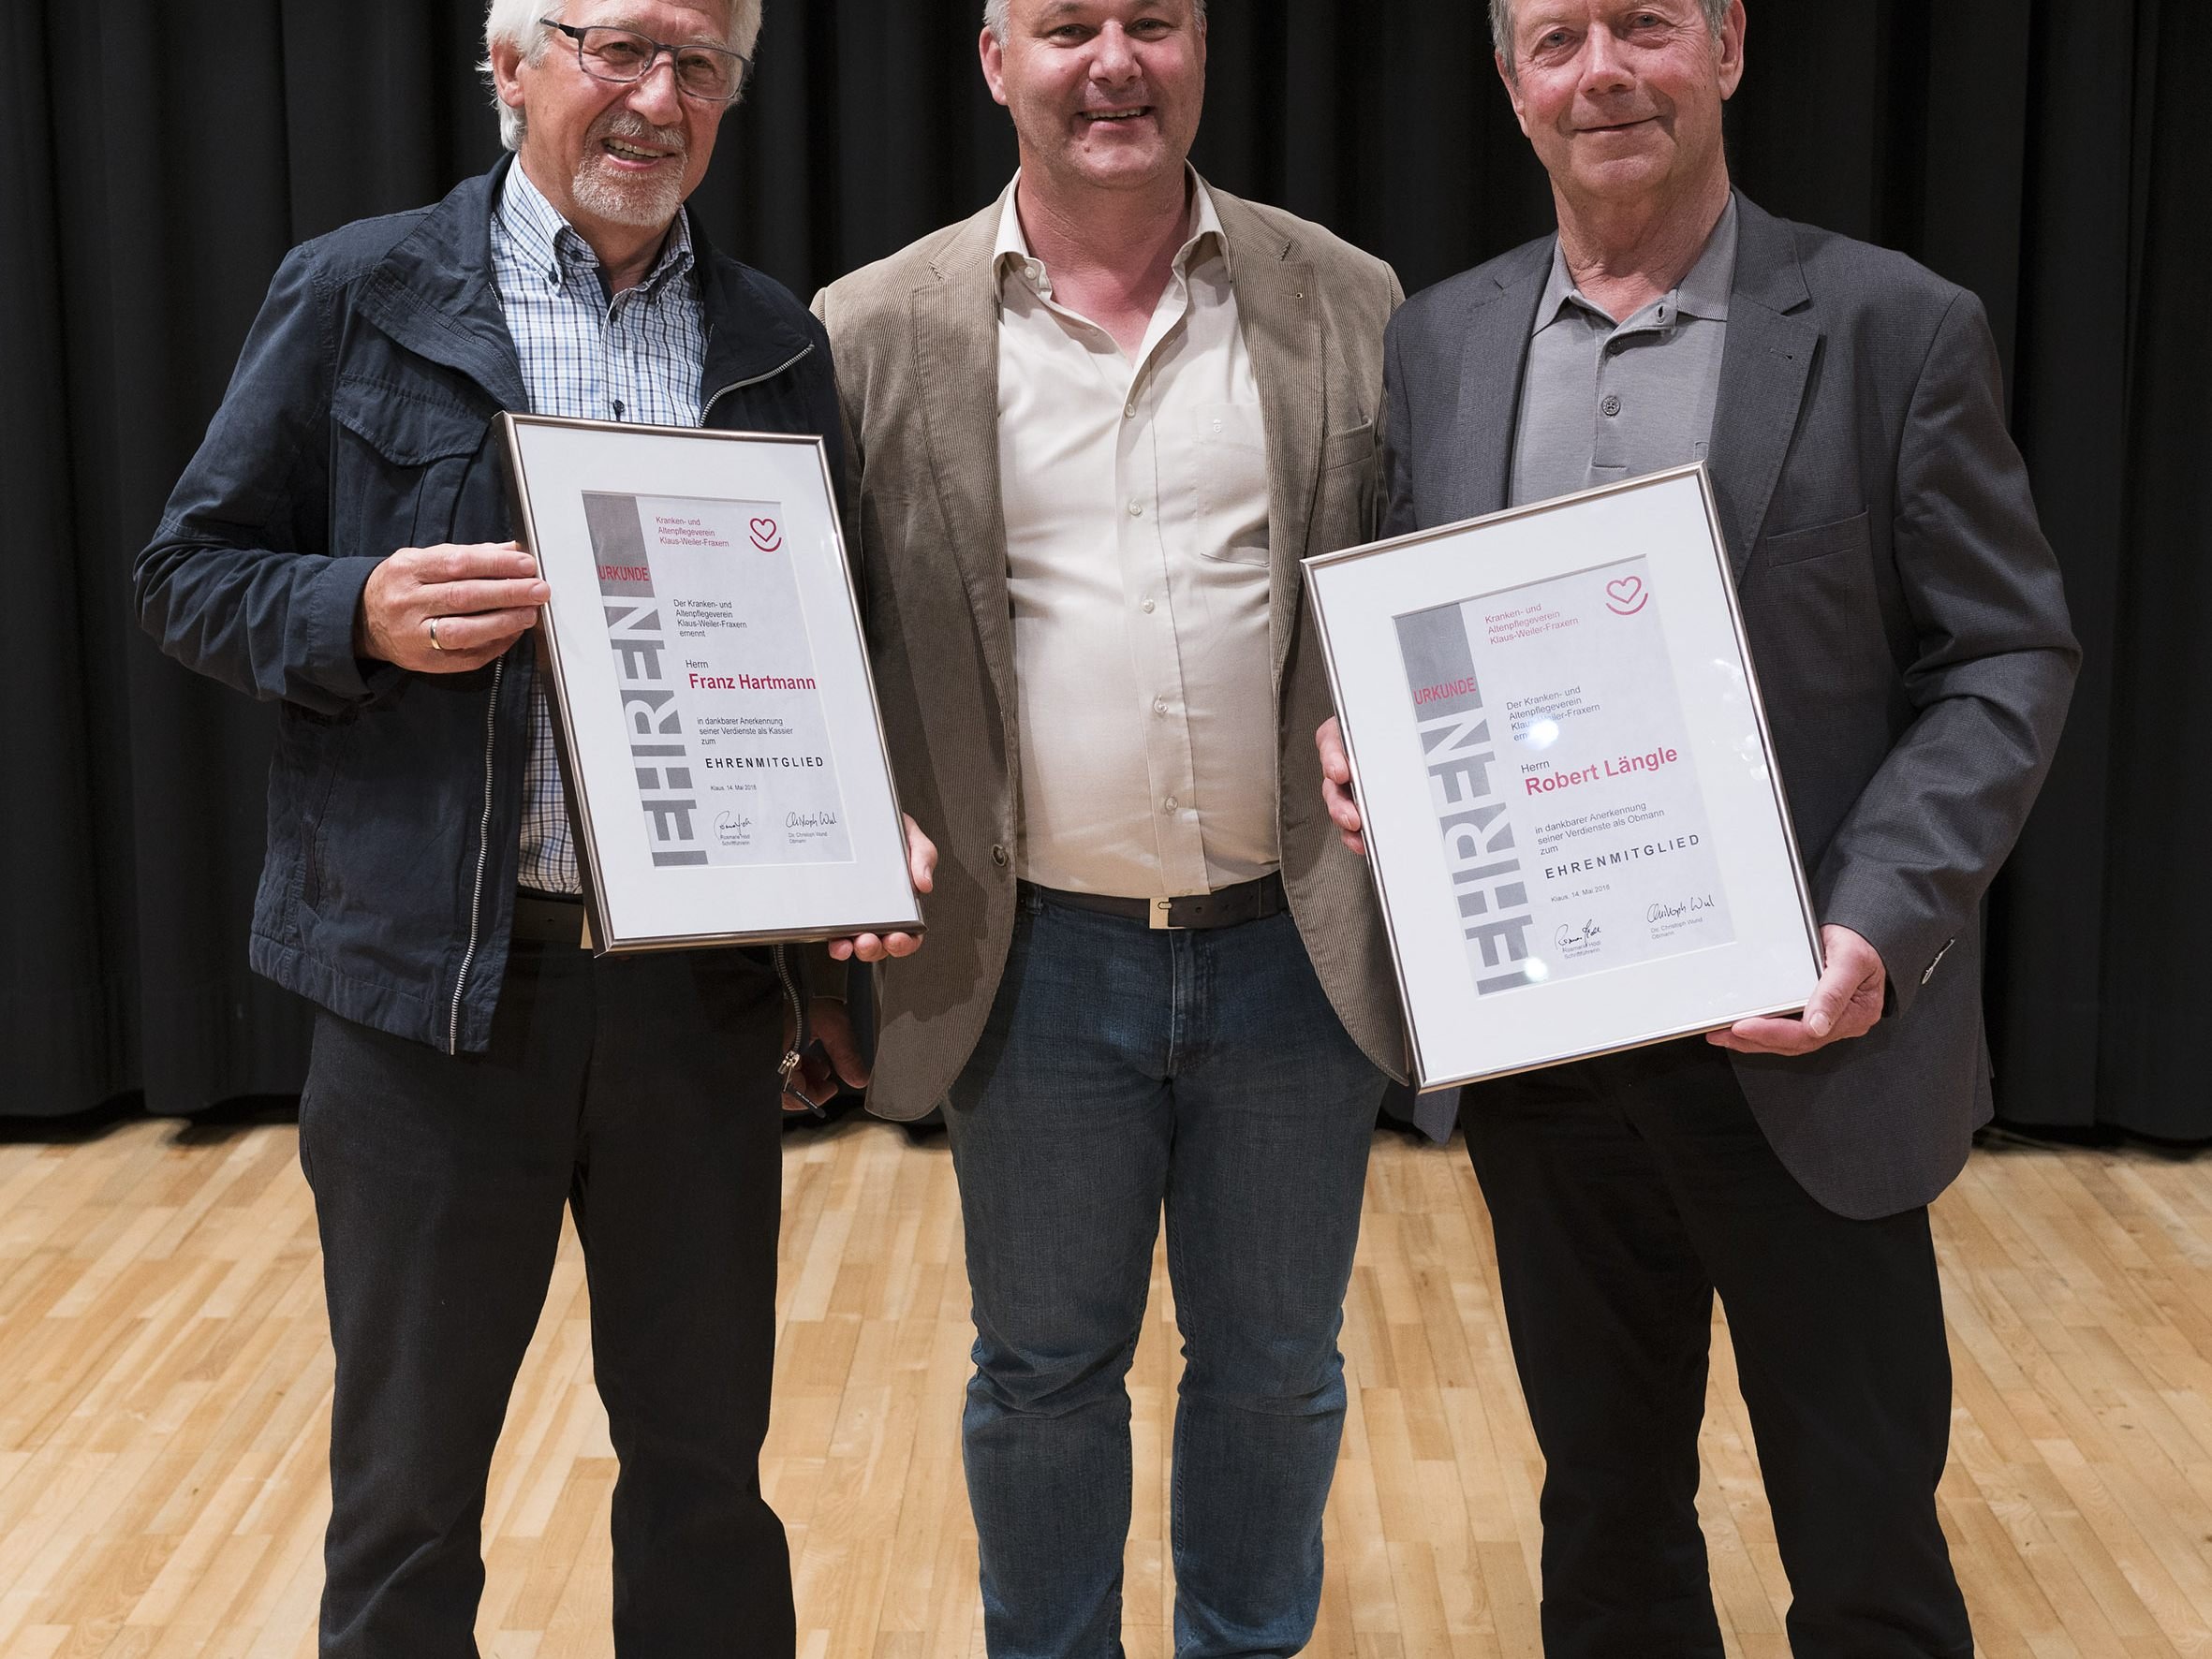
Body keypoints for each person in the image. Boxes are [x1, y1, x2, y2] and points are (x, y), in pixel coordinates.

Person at [135, 2, 930, 1652]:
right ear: (510, 66)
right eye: (620, 50)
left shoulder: (770, 337)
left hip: (692, 1009)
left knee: (706, 1475)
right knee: (409, 1498)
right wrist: (355, 608)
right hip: (432, 1002)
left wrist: (859, 844)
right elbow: (187, 575)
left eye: (700, 65)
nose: (658, 99)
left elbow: (823, 644)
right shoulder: (360, 291)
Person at [1319, 2, 2077, 1653]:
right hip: (1550, 1060)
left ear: (1725, 47)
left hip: (1812, 1036)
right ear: (1509, 85)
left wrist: (1875, 924)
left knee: (1864, 1533)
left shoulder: (1891, 322)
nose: (1603, 70)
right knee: (1600, 1521)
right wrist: (1367, 738)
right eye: (1556, 37)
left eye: (1645, 23)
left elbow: (2006, 656)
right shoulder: (1439, 341)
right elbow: (1424, 632)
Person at [809, 1, 1418, 1652]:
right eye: (1066, 23)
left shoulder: (1347, 298)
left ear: (1203, 49)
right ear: (992, 58)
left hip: (1295, 950)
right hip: (1035, 961)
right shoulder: (871, 327)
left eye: (1152, 18)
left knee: (1277, 1372)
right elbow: (810, 632)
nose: (1114, 60)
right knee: (1042, 1371)